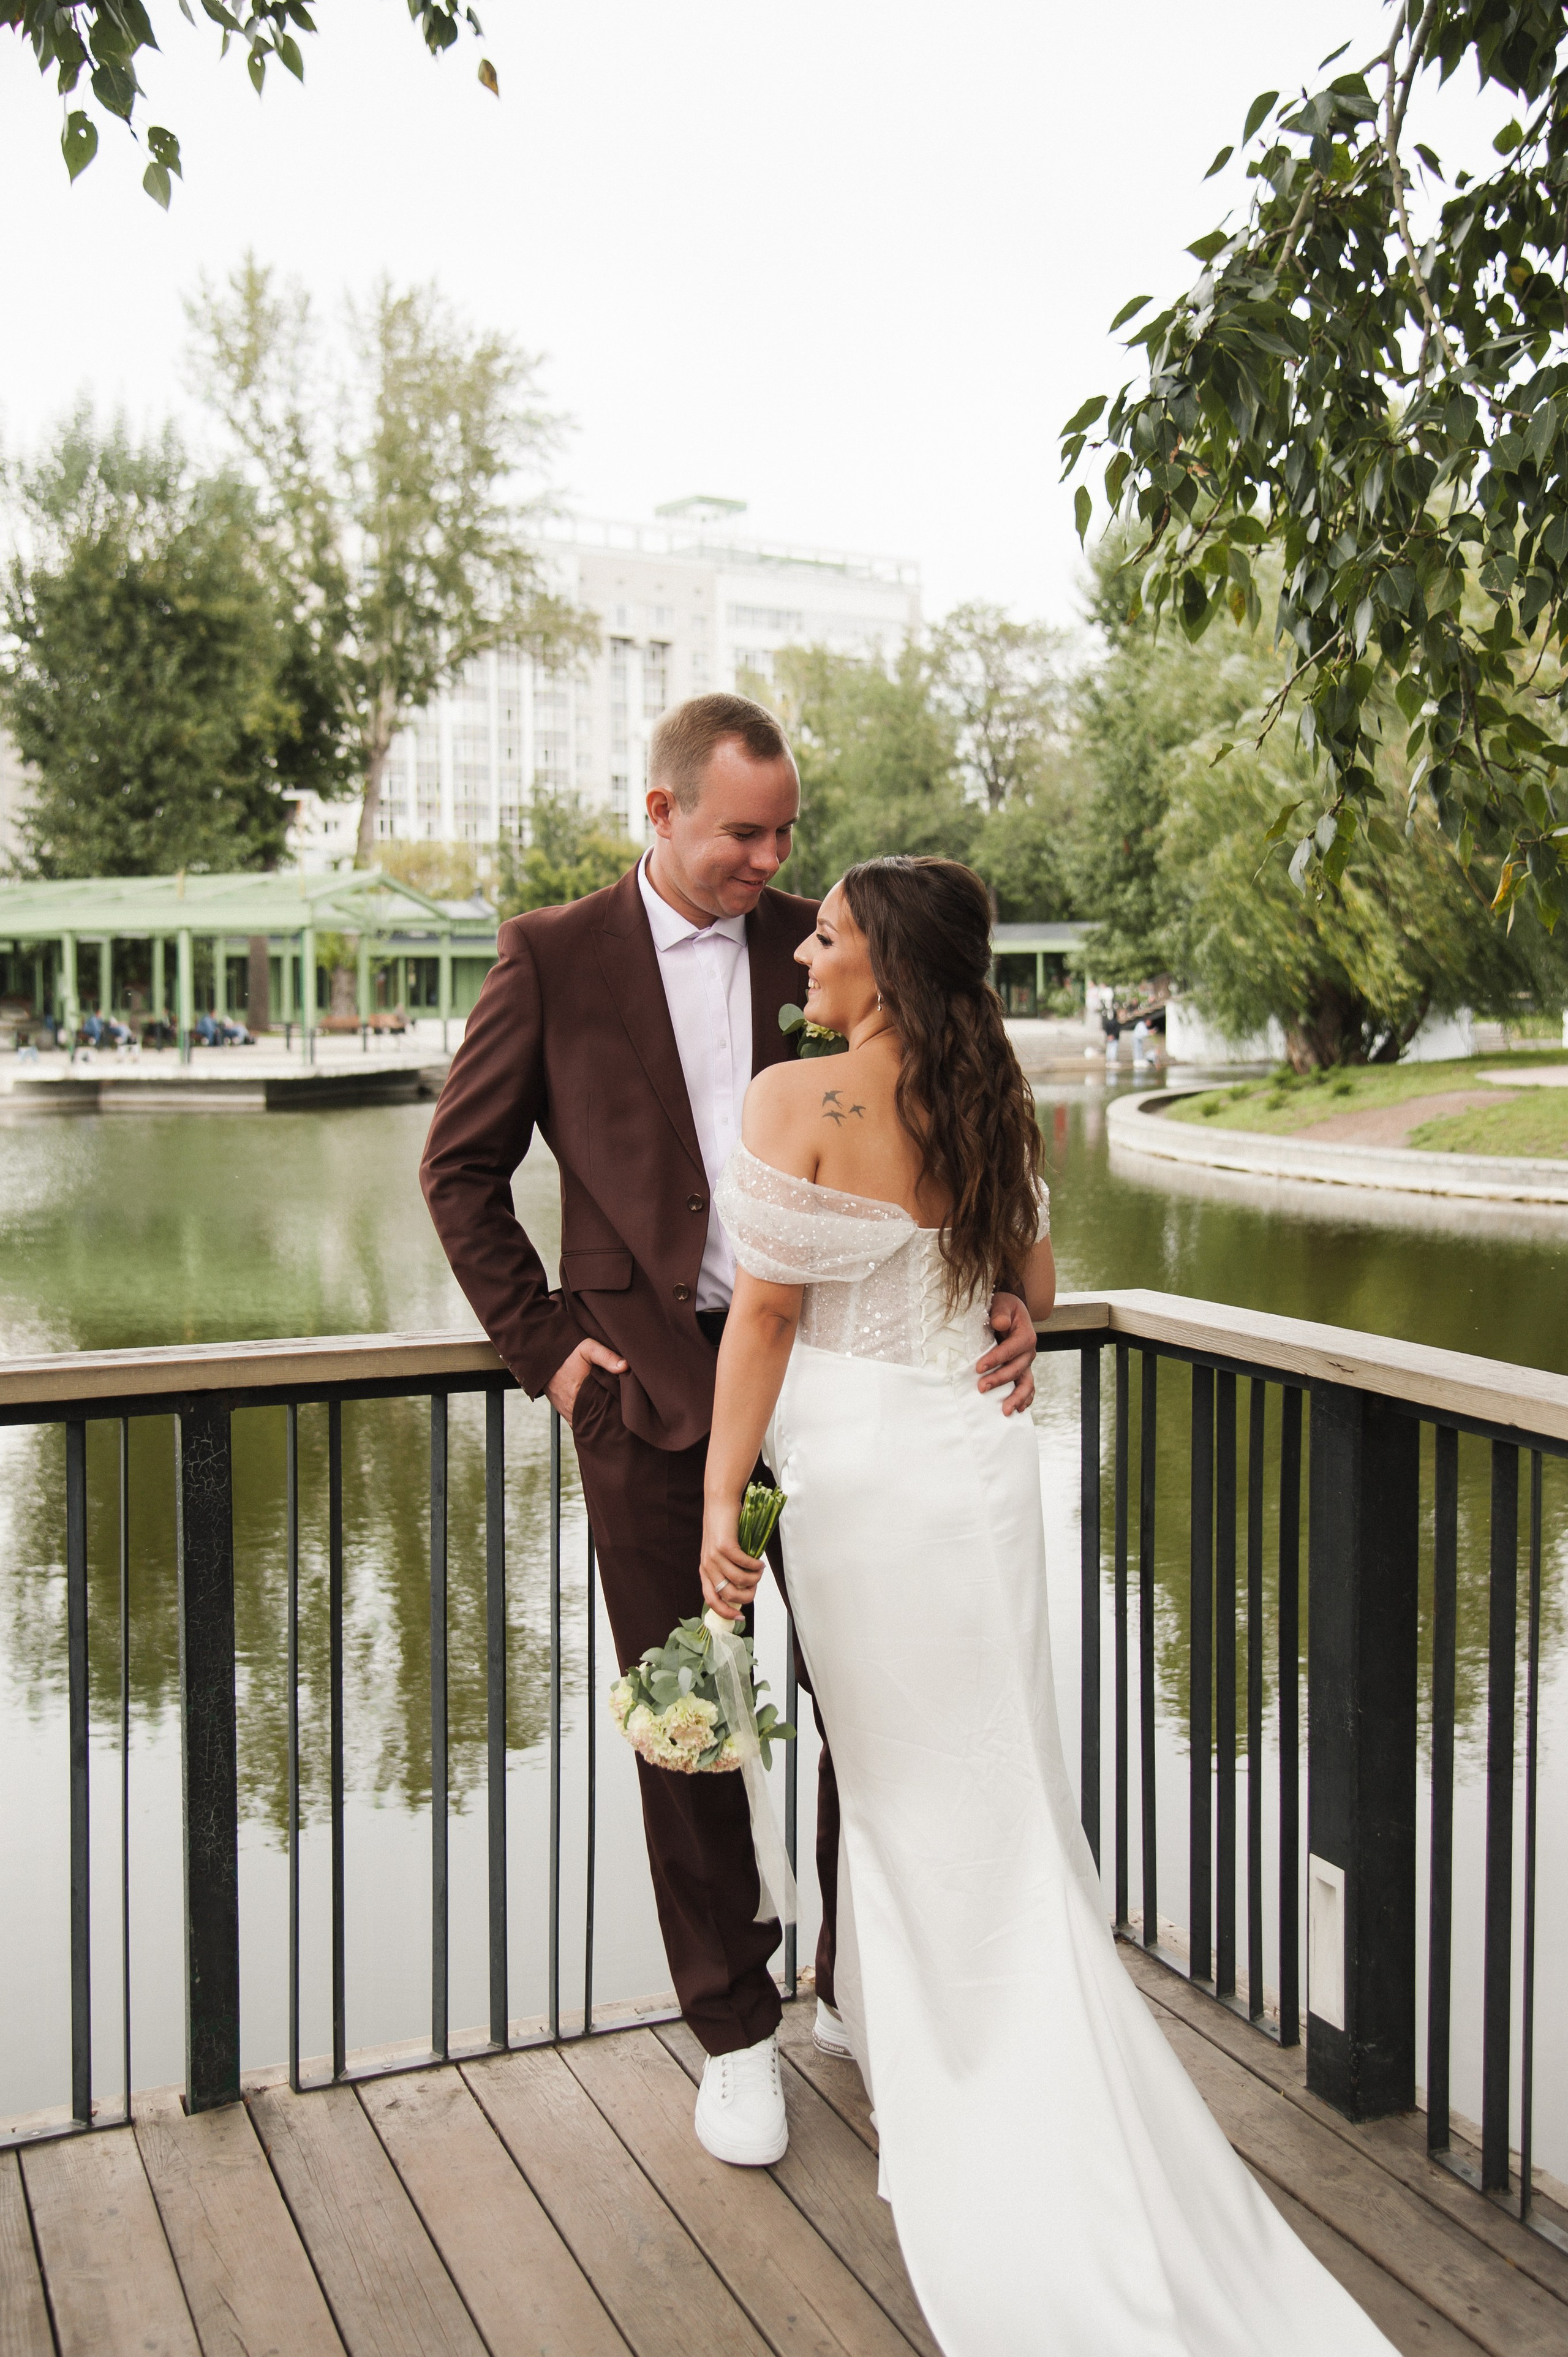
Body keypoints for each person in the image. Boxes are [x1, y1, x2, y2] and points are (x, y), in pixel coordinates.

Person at [699, 855, 1395, 2355]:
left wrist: (716, 1502)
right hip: (979, 1470)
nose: (801, 949)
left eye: (822, 931)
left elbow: (760, 1314)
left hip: (870, 1482)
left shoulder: (791, 1098)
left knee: (899, 1798)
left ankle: (981, 2114)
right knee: (999, 1790)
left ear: (878, 959)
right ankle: (953, 2058)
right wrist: (1014, 1318)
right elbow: (1035, 1284)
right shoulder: (988, 1093)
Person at [419, 695, 1039, 2168]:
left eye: (785, 831)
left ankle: (855, 1988)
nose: (774, 860)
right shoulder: (551, 956)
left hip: (833, 1389)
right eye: (743, 832)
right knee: (693, 1722)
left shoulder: (827, 945)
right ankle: (732, 2030)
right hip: (643, 1398)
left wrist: (1008, 1294)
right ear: (662, 812)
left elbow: (953, 1117)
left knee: (860, 1698)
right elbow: (460, 1171)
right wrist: (559, 1360)